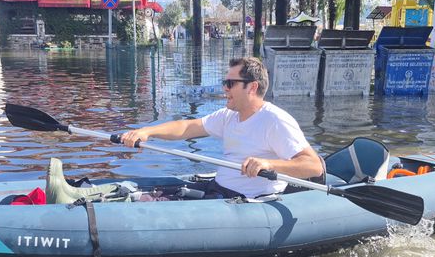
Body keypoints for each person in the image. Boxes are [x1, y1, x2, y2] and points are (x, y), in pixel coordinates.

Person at [120, 57, 324, 199]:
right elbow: (188, 127)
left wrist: (269, 164)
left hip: (246, 200)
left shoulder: (275, 121)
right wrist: (147, 132)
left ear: (252, 87)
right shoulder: (228, 116)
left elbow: (313, 166)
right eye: (224, 82)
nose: (225, 88)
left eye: (230, 83)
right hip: (219, 189)